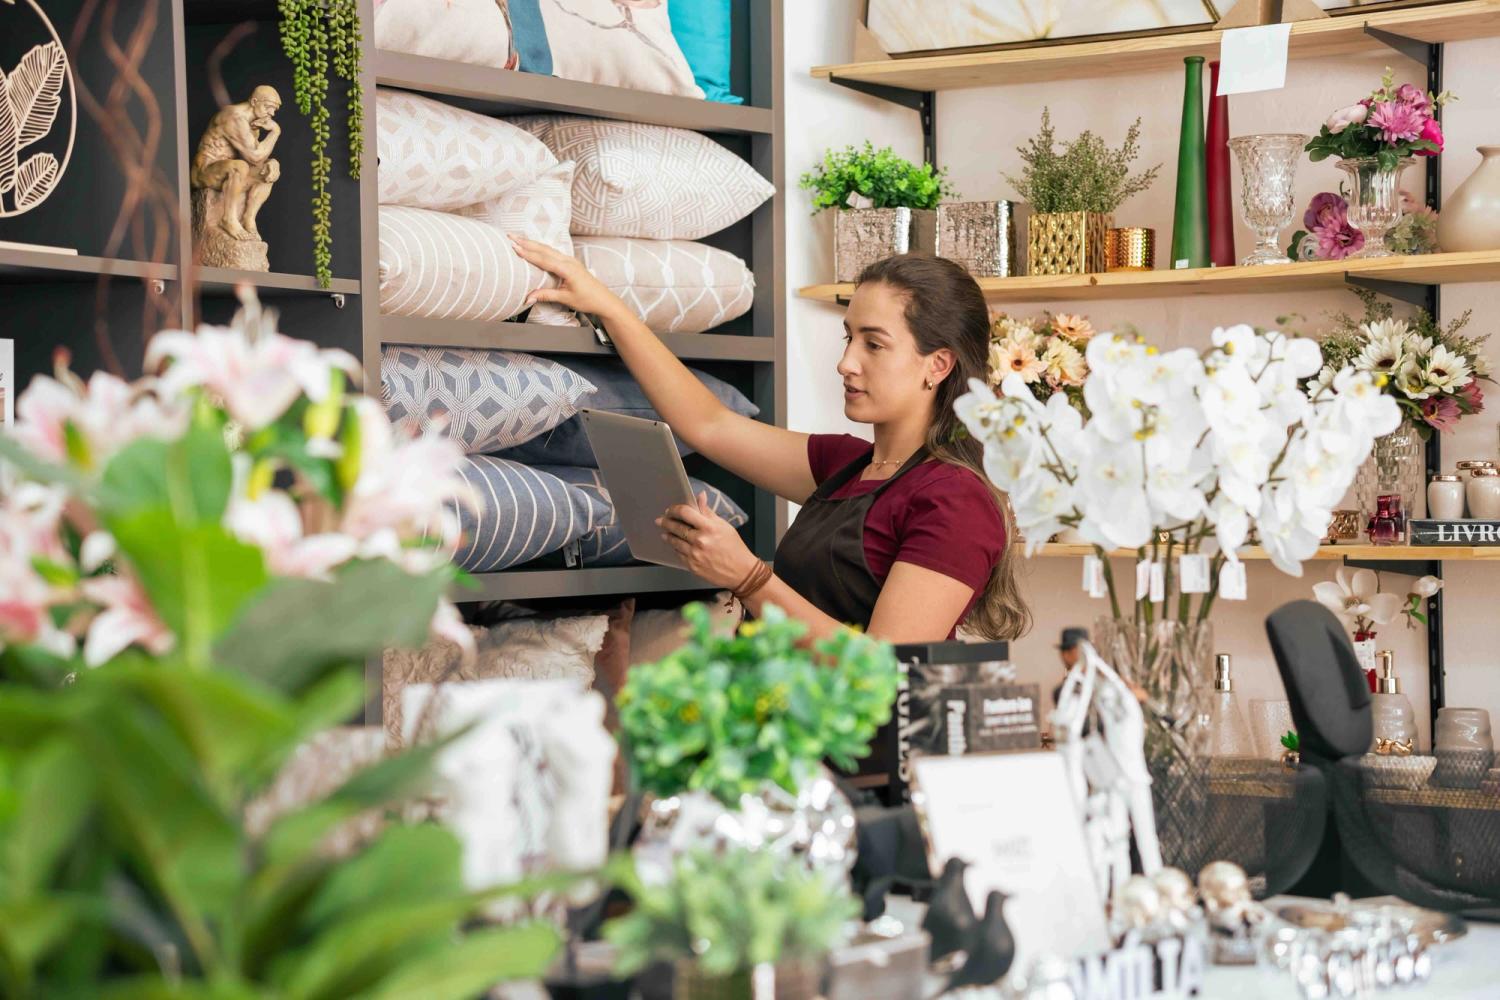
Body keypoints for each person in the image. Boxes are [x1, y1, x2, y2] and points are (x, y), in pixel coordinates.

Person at [509, 241, 1029, 643]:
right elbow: (708, 423)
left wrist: (750, 577)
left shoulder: (955, 499)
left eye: (875, 344)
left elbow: (884, 666)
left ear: (937, 365)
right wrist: (611, 310)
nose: (847, 362)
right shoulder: (846, 465)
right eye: (850, 338)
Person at [190, 85, 283, 242]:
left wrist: (273, 163)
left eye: (274, 110)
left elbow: (257, 158)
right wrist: (275, 132)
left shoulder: (252, 123)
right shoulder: (233, 117)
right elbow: (254, 157)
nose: (272, 114)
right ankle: (228, 219)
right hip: (205, 170)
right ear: (254, 101)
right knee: (240, 166)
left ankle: (249, 218)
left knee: (269, 170)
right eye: (269, 107)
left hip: (227, 168)